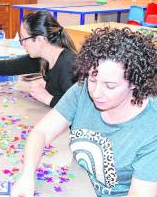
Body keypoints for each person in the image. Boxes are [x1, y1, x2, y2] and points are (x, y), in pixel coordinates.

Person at [11, 27, 157, 197]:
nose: (95, 93)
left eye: (110, 86)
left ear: (135, 83)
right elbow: (41, 133)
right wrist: (27, 176)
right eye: (93, 79)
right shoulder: (82, 90)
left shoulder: (151, 130)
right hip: (80, 185)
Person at [0, 10, 77, 107]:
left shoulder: (67, 63)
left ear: (39, 40)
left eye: (23, 39)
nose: (22, 43)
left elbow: (79, 108)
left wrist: (48, 98)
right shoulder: (44, 58)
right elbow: (9, 66)